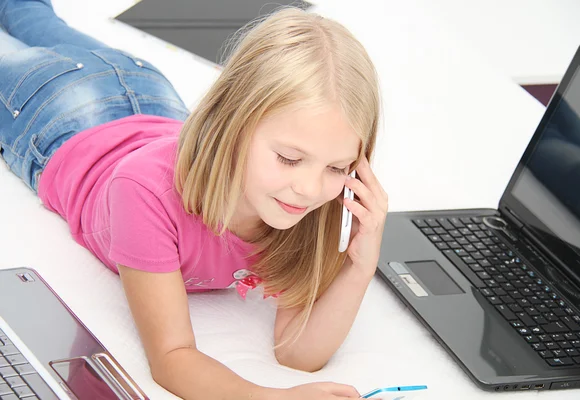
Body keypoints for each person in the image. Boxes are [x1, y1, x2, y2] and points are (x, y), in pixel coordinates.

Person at [0, 1, 388, 399]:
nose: (309, 188)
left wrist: (359, 267)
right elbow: (171, 357)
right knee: (27, 18)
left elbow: (297, 354)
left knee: (35, 20)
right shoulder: (145, 192)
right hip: (57, 109)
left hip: (151, 93)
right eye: (289, 158)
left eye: (338, 168)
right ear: (231, 124)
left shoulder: (309, 205)